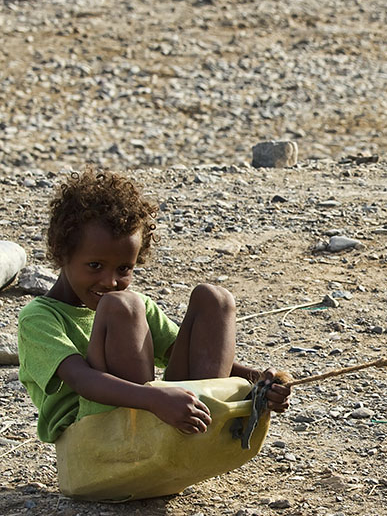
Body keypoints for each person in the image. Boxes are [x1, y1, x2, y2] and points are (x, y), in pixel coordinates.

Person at [18, 169, 291, 444]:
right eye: (95, 266)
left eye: (124, 268)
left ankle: (204, 424)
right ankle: (145, 434)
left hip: (150, 414)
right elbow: (83, 380)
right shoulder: (40, 318)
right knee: (122, 305)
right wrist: (153, 398)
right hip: (93, 440)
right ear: (61, 251)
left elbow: (195, 352)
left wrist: (258, 380)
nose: (111, 281)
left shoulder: (136, 306)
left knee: (215, 299)